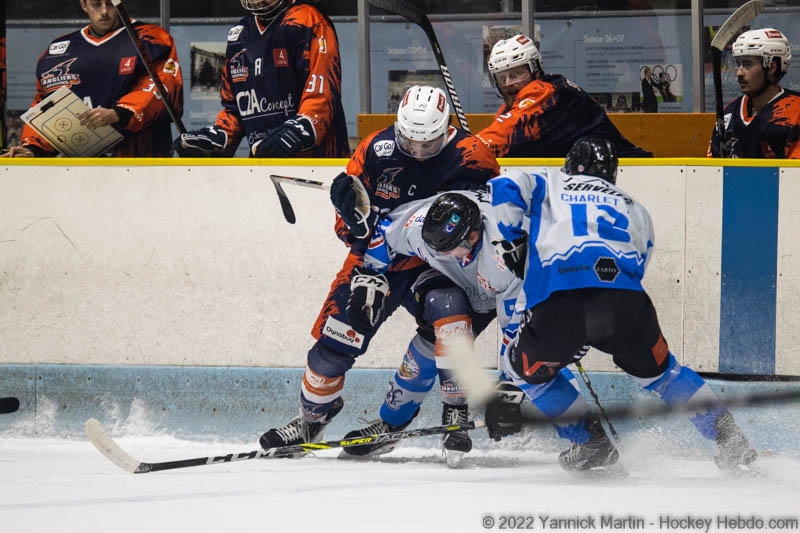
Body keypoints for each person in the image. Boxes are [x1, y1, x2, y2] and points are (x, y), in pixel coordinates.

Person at [463, 137, 757, 472]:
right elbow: (639, 262)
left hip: (562, 299)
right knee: (664, 373)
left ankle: (591, 443)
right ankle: (729, 436)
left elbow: (504, 186)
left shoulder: (550, 180)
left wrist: (512, 240)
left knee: (523, 371)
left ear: (570, 165)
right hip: (625, 300)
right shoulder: (635, 208)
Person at [258, 86, 500, 460]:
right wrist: (353, 222)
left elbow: (489, 219)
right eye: (409, 141)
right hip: (374, 258)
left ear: (445, 130)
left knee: (448, 314)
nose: (417, 150)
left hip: (434, 263)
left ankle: (422, 416)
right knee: (334, 345)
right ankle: (311, 418)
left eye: (427, 144)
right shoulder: (375, 148)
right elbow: (347, 225)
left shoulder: (474, 155)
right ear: (398, 126)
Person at [1, 0, 183, 158]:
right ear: (84, 5)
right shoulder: (59, 51)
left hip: (142, 158)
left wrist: (118, 114)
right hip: (82, 166)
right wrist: (33, 148)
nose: (104, 11)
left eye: (110, 4)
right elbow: (45, 104)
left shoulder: (150, 38)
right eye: (96, 4)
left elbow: (163, 85)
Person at [173, 0, 350, 158]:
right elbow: (235, 108)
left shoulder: (307, 20)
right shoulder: (239, 36)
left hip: (318, 164)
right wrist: (221, 136)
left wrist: (300, 130)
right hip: (262, 165)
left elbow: (323, 91)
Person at [475, 34, 651, 158]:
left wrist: (463, 148)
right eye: (501, 78)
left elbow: (496, 140)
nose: (508, 83)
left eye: (516, 74)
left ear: (536, 69)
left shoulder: (545, 93)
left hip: (628, 173)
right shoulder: (509, 108)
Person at [708, 28, 800, 158]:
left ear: (771, 67)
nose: (739, 73)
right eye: (739, 64)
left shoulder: (794, 112)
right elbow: (712, 166)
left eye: (748, 65)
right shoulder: (729, 113)